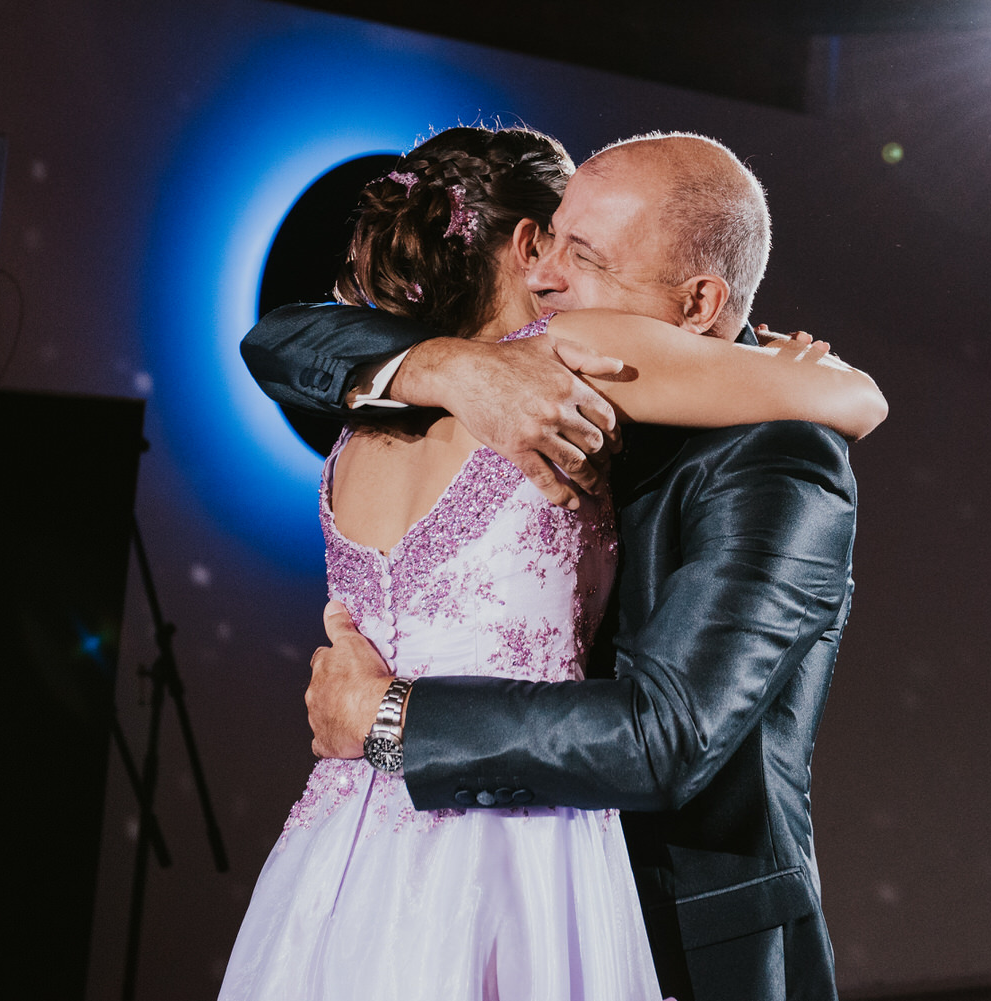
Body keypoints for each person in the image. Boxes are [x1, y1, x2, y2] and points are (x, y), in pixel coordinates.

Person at [224, 127, 885, 1000]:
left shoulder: (778, 458)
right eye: (546, 241)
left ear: (698, 303)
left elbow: (666, 734)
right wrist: (452, 368)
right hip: (470, 887)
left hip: (685, 939)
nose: (543, 277)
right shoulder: (510, 379)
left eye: (584, 256)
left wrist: (387, 716)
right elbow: (283, 338)